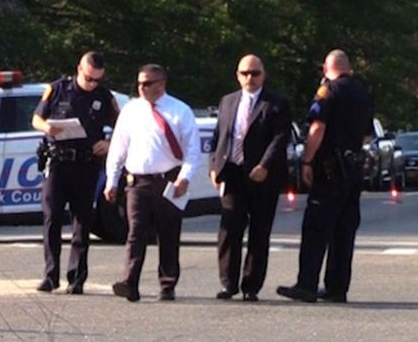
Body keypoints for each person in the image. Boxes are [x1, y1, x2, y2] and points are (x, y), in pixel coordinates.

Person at [277, 50, 374, 303]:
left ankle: (307, 284)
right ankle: (337, 288)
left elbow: (317, 127)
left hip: (329, 168)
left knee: (316, 227)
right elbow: (367, 136)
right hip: (353, 168)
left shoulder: (329, 91)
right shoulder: (363, 93)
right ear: (349, 68)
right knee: (344, 229)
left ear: (326, 68)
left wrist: (308, 160)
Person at [103, 64, 200, 302]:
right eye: (139, 83)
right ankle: (130, 282)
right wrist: (111, 181)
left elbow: (192, 150)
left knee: (168, 234)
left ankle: (167, 284)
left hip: (168, 180)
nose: (142, 88)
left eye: (147, 83)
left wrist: (184, 178)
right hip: (137, 182)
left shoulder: (180, 110)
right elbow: (118, 148)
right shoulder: (131, 111)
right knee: (135, 232)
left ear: (161, 84)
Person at [31, 51, 121, 294]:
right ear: (79, 70)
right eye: (89, 78)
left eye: (97, 80)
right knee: (51, 218)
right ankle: (50, 276)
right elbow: (36, 119)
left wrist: (110, 143)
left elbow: (123, 128)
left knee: (82, 221)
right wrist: (47, 126)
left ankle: (77, 278)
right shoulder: (58, 89)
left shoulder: (104, 96)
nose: (92, 84)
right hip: (58, 164)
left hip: (86, 164)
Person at [208, 55, 290, 302]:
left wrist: (265, 165)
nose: (250, 78)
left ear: (263, 74)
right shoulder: (228, 101)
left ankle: (250, 286)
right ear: (237, 75)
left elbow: (280, 137)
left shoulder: (276, 103)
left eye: (255, 73)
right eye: (245, 73)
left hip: (262, 176)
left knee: (259, 231)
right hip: (233, 172)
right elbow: (219, 136)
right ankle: (228, 284)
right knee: (229, 229)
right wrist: (215, 165)